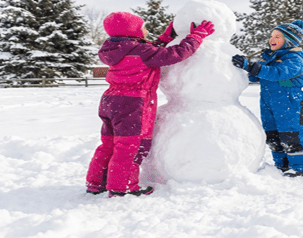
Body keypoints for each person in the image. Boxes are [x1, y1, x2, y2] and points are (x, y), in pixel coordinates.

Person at [87, 12, 214, 197]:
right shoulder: (142, 51)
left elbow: (145, 52)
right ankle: (122, 188)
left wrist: (163, 38)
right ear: (133, 32)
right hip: (132, 103)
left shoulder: (115, 48)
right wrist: (196, 36)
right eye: (143, 28)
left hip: (111, 100)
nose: (146, 31)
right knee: (130, 147)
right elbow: (175, 54)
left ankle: (96, 183)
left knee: (108, 145)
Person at [231, 20, 303, 177]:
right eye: (272, 35)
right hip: (268, 102)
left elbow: (277, 73)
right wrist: (240, 70)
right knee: (273, 136)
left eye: (278, 36)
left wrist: (252, 66)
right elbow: (256, 77)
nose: (272, 39)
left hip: (290, 101)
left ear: (289, 41)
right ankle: (281, 165)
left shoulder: (295, 58)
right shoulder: (271, 57)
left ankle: (300, 167)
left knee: (290, 135)